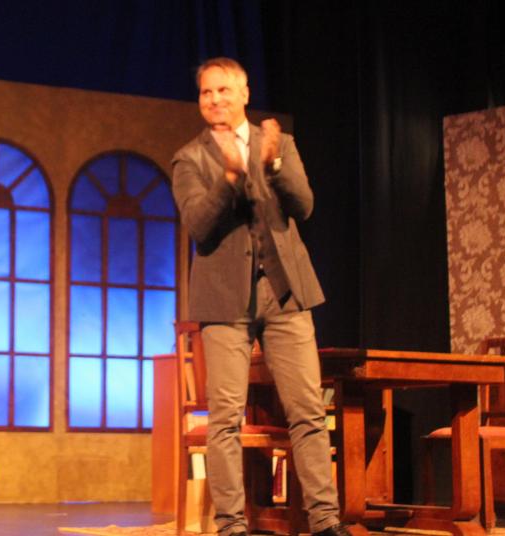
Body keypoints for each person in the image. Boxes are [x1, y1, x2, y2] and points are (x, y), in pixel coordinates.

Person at [171, 57, 348, 536]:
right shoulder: (189, 158)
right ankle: (231, 525)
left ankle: (325, 521)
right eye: (206, 92)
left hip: (285, 293)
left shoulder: (279, 144)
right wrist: (229, 177)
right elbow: (198, 226)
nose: (215, 100)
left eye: (224, 90)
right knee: (225, 417)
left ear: (245, 94)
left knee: (308, 411)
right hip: (224, 301)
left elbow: (304, 205)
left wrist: (271, 164)